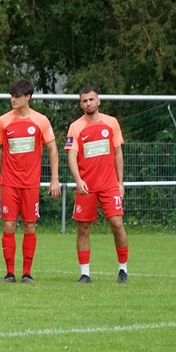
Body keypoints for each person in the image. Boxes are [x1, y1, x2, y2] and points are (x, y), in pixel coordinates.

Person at [0, 78, 61, 283]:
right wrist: (5, 168)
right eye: (11, 96)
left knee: (30, 226)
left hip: (31, 183)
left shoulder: (41, 121)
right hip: (9, 183)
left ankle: (27, 273)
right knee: (8, 225)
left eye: (17, 96)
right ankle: (10, 273)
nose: (13, 99)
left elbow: (52, 148)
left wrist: (54, 179)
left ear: (28, 97)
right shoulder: (3, 121)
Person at [65, 86, 128, 284]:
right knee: (83, 229)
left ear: (98, 101)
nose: (88, 103)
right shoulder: (76, 127)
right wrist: (78, 180)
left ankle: (123, 270)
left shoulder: (111, 123)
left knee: (117, 224)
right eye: (84, 101)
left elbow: (117, 153)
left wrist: (120, 182)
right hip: (86, 186)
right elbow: (72, 156)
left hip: (109, 185)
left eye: (91, 99)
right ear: (80, 104)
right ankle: (85, 274)